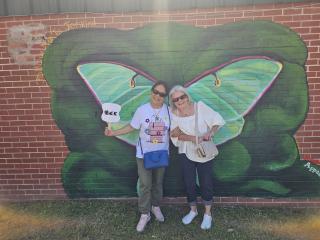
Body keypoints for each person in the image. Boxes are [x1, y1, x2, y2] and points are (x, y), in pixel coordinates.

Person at [105, 81, 170, 233]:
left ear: (165, 97)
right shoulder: (142, 110)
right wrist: (113, 132)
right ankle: (144, 213)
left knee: (158, 184)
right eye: (156, 92)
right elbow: (131, 127)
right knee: (145, 184)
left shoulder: (169, 111)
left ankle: (155, 207)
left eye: (161, 94)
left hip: (161, 154)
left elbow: (176, 127)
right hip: (144, 154)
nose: (157, 96)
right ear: (151, 92)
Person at [169, 85, 225, 230]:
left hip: (203, 151)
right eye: (176, 99)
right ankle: (193, 211)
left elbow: (217, 120)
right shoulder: (173, 113)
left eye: (182, 97)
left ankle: (207, 214)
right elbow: (174, 134)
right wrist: (191, 138)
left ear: (187, 97)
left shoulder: (200, 107)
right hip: (186, 151)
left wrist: (210, 133)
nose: (180, 100)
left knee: (206, 182)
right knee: (189, 182)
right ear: (173, 101)